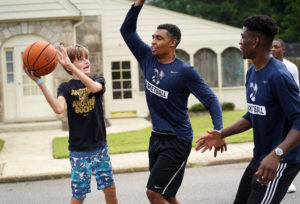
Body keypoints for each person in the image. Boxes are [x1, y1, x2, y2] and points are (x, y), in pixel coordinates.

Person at [120, 0, 224, 203]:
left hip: (177, 139)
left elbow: (211, 100)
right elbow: (127, 31)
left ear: (172, 43)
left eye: (159, 38)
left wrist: (218, 130)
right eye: (152, 38)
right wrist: (137, 4)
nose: (153, 42)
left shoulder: (186, 72)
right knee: (167, 194)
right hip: (156, 137)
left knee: (153, 193)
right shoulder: (146, 57)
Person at [195, 15, 300, 203]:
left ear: (255, 41)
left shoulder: (278, 76)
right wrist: (221, 133)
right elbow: (253, 114)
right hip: (260, 156)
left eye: (243, 38)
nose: (240, 42)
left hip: (282, 160)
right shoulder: (252, 71)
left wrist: (277, 154)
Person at [23, 44, 118, 204]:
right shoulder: (66, 87)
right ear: (70, 64)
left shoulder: (96, 79)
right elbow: (58, 108)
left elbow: (95, 88)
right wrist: (40, 82)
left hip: (100, 148)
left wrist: (74, 68)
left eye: (87, 58)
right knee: (79, 194)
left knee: (110, 189)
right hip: (78, 151)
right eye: (81, 59)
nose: (87, 61)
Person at [272, 38, 299, 193]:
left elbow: (296, 89)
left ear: (283, 49)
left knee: (286, 146)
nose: (273, 49)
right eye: (271, 47)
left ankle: (285, 180)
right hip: (273, 114)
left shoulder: (291, 67)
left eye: (276, 47)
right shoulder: (265, 66)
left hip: (288, 112)